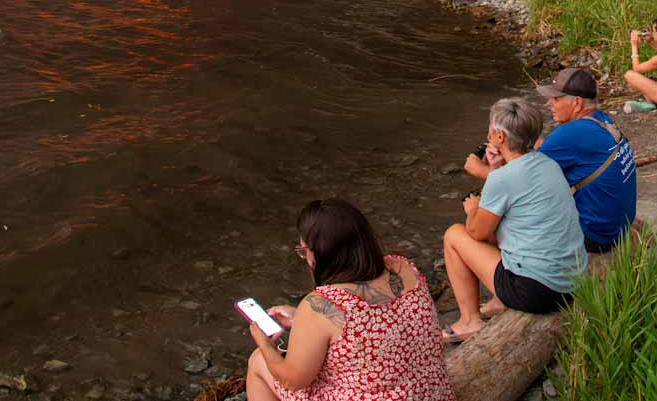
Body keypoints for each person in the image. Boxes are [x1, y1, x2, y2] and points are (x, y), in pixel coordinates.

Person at [244, 199, 455, 401]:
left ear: (321, 253)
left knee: (258, 361)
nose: (306, 260)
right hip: (434, 392)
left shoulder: (322, 304)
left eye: (304, 251)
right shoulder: (403, 268)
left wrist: (264, 344)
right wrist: (300, 318)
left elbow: (293, 380)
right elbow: (373, 325)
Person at [441, 99, 587, 341]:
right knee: (510, 226)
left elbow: (477, 232)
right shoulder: (548, 163)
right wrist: (496, 169)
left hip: (538, 291)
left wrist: (473, 209)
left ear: (499, 136)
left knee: (455, 234)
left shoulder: (503, 179)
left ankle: (469, 321)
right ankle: (499, 301)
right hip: (572, 282)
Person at [462, 69, 637, 256]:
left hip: (595, 236)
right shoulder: (600, 120)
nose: (549, 103)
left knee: (499, 216)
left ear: (577, 103)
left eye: (556, 99)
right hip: (618, 226)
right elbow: (548, 149)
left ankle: (508, 269)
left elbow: (521, 184)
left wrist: (482, 170)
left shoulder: (569, 134)